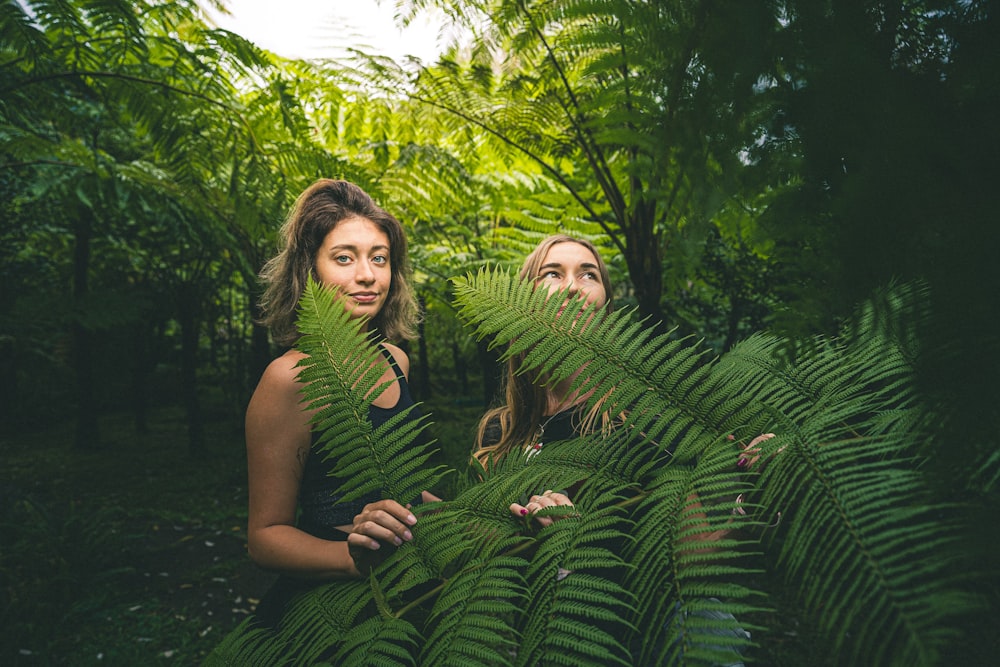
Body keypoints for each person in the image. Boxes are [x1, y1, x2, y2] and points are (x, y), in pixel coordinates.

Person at [243, 178, 428, 625]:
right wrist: (351, 558)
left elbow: (398, 489)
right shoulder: (289, 377)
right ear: (310, 270)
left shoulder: (395, 360)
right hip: (333, 610)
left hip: (410, 591)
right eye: (344, 258)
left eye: (379, 259)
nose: (367, 275)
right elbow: (265, 537)